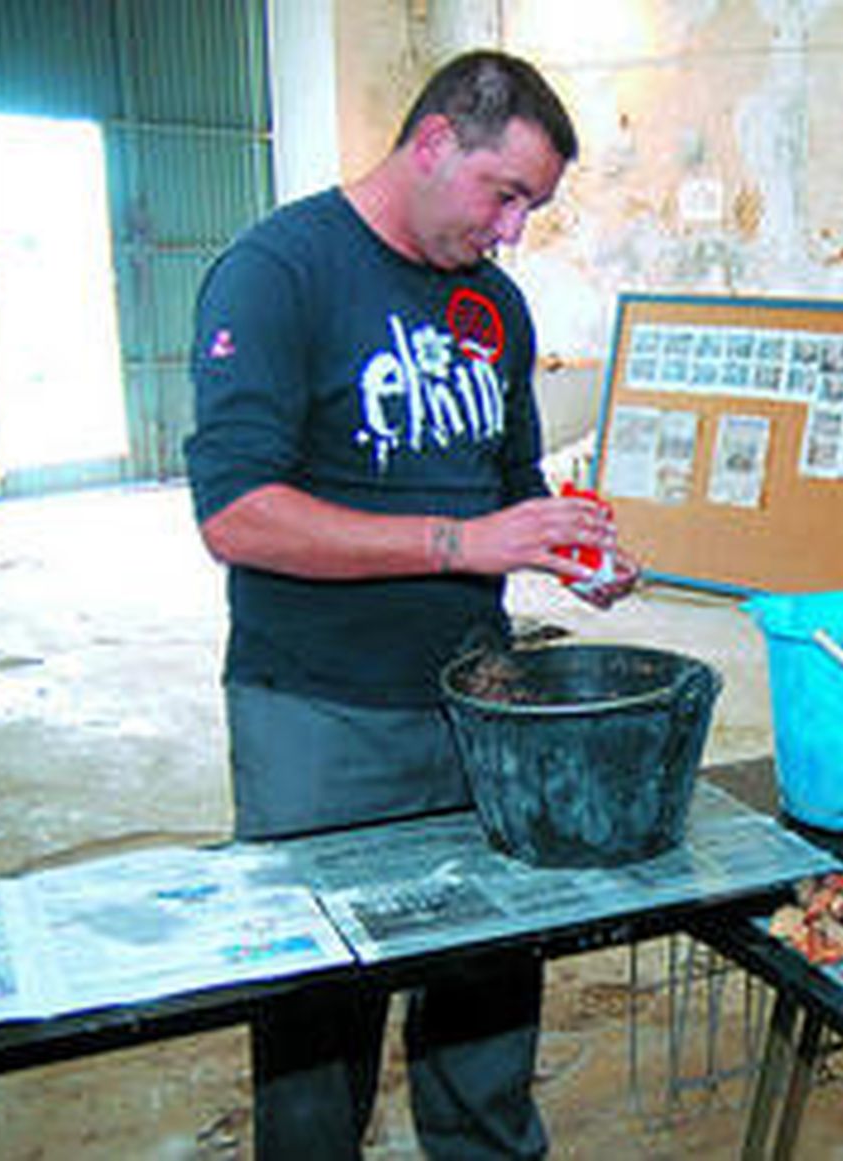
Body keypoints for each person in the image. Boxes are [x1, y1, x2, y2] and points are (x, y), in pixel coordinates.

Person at [184, 50, 638, 1160]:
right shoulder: (276, 272)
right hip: (321, 713)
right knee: (318, 1014)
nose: (515, 228)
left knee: (489, 977)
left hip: (480, 710)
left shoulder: (494, 303)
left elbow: (508, 484)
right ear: (433, 143)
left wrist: (561, 545)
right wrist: (457, 545)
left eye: (530, 205)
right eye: (506, 194)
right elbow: (236, 514)